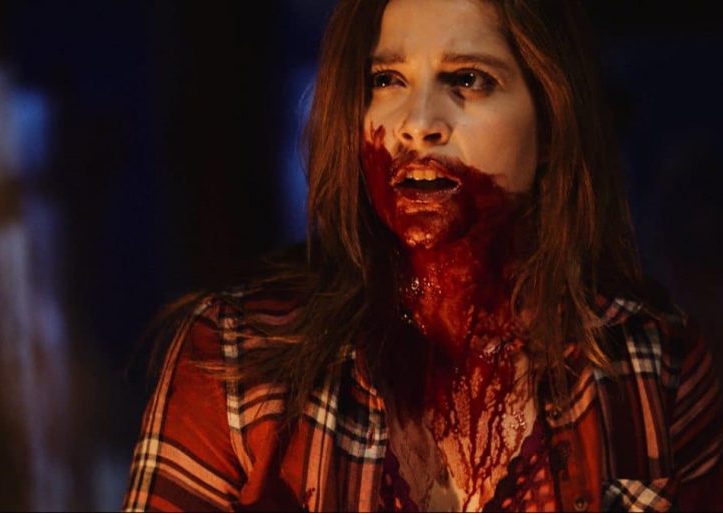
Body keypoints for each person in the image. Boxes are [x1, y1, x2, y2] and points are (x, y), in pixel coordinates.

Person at [123, 0, 723, 511]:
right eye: (387, 80)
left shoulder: (654, 367)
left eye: (469, 79)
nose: (417, 124)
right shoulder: (234, 359)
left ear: (550, 120)